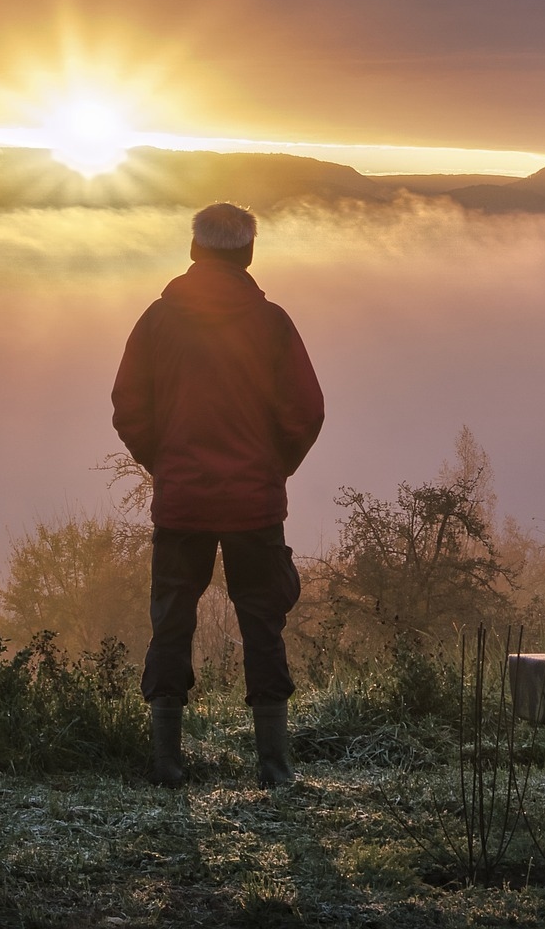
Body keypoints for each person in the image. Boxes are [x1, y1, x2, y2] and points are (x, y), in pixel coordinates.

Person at [111, 202, 325, 788]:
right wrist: (271, 468)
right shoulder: (272, 323)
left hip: (182, 503)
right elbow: (306, 411)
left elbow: (128, 406)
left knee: (171, 620)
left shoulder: (157, 321)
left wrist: (166, 464)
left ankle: (166, 764)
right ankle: (275, 770)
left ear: (193, 252)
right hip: (254, 505)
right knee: (263, 623)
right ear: (248, 254)